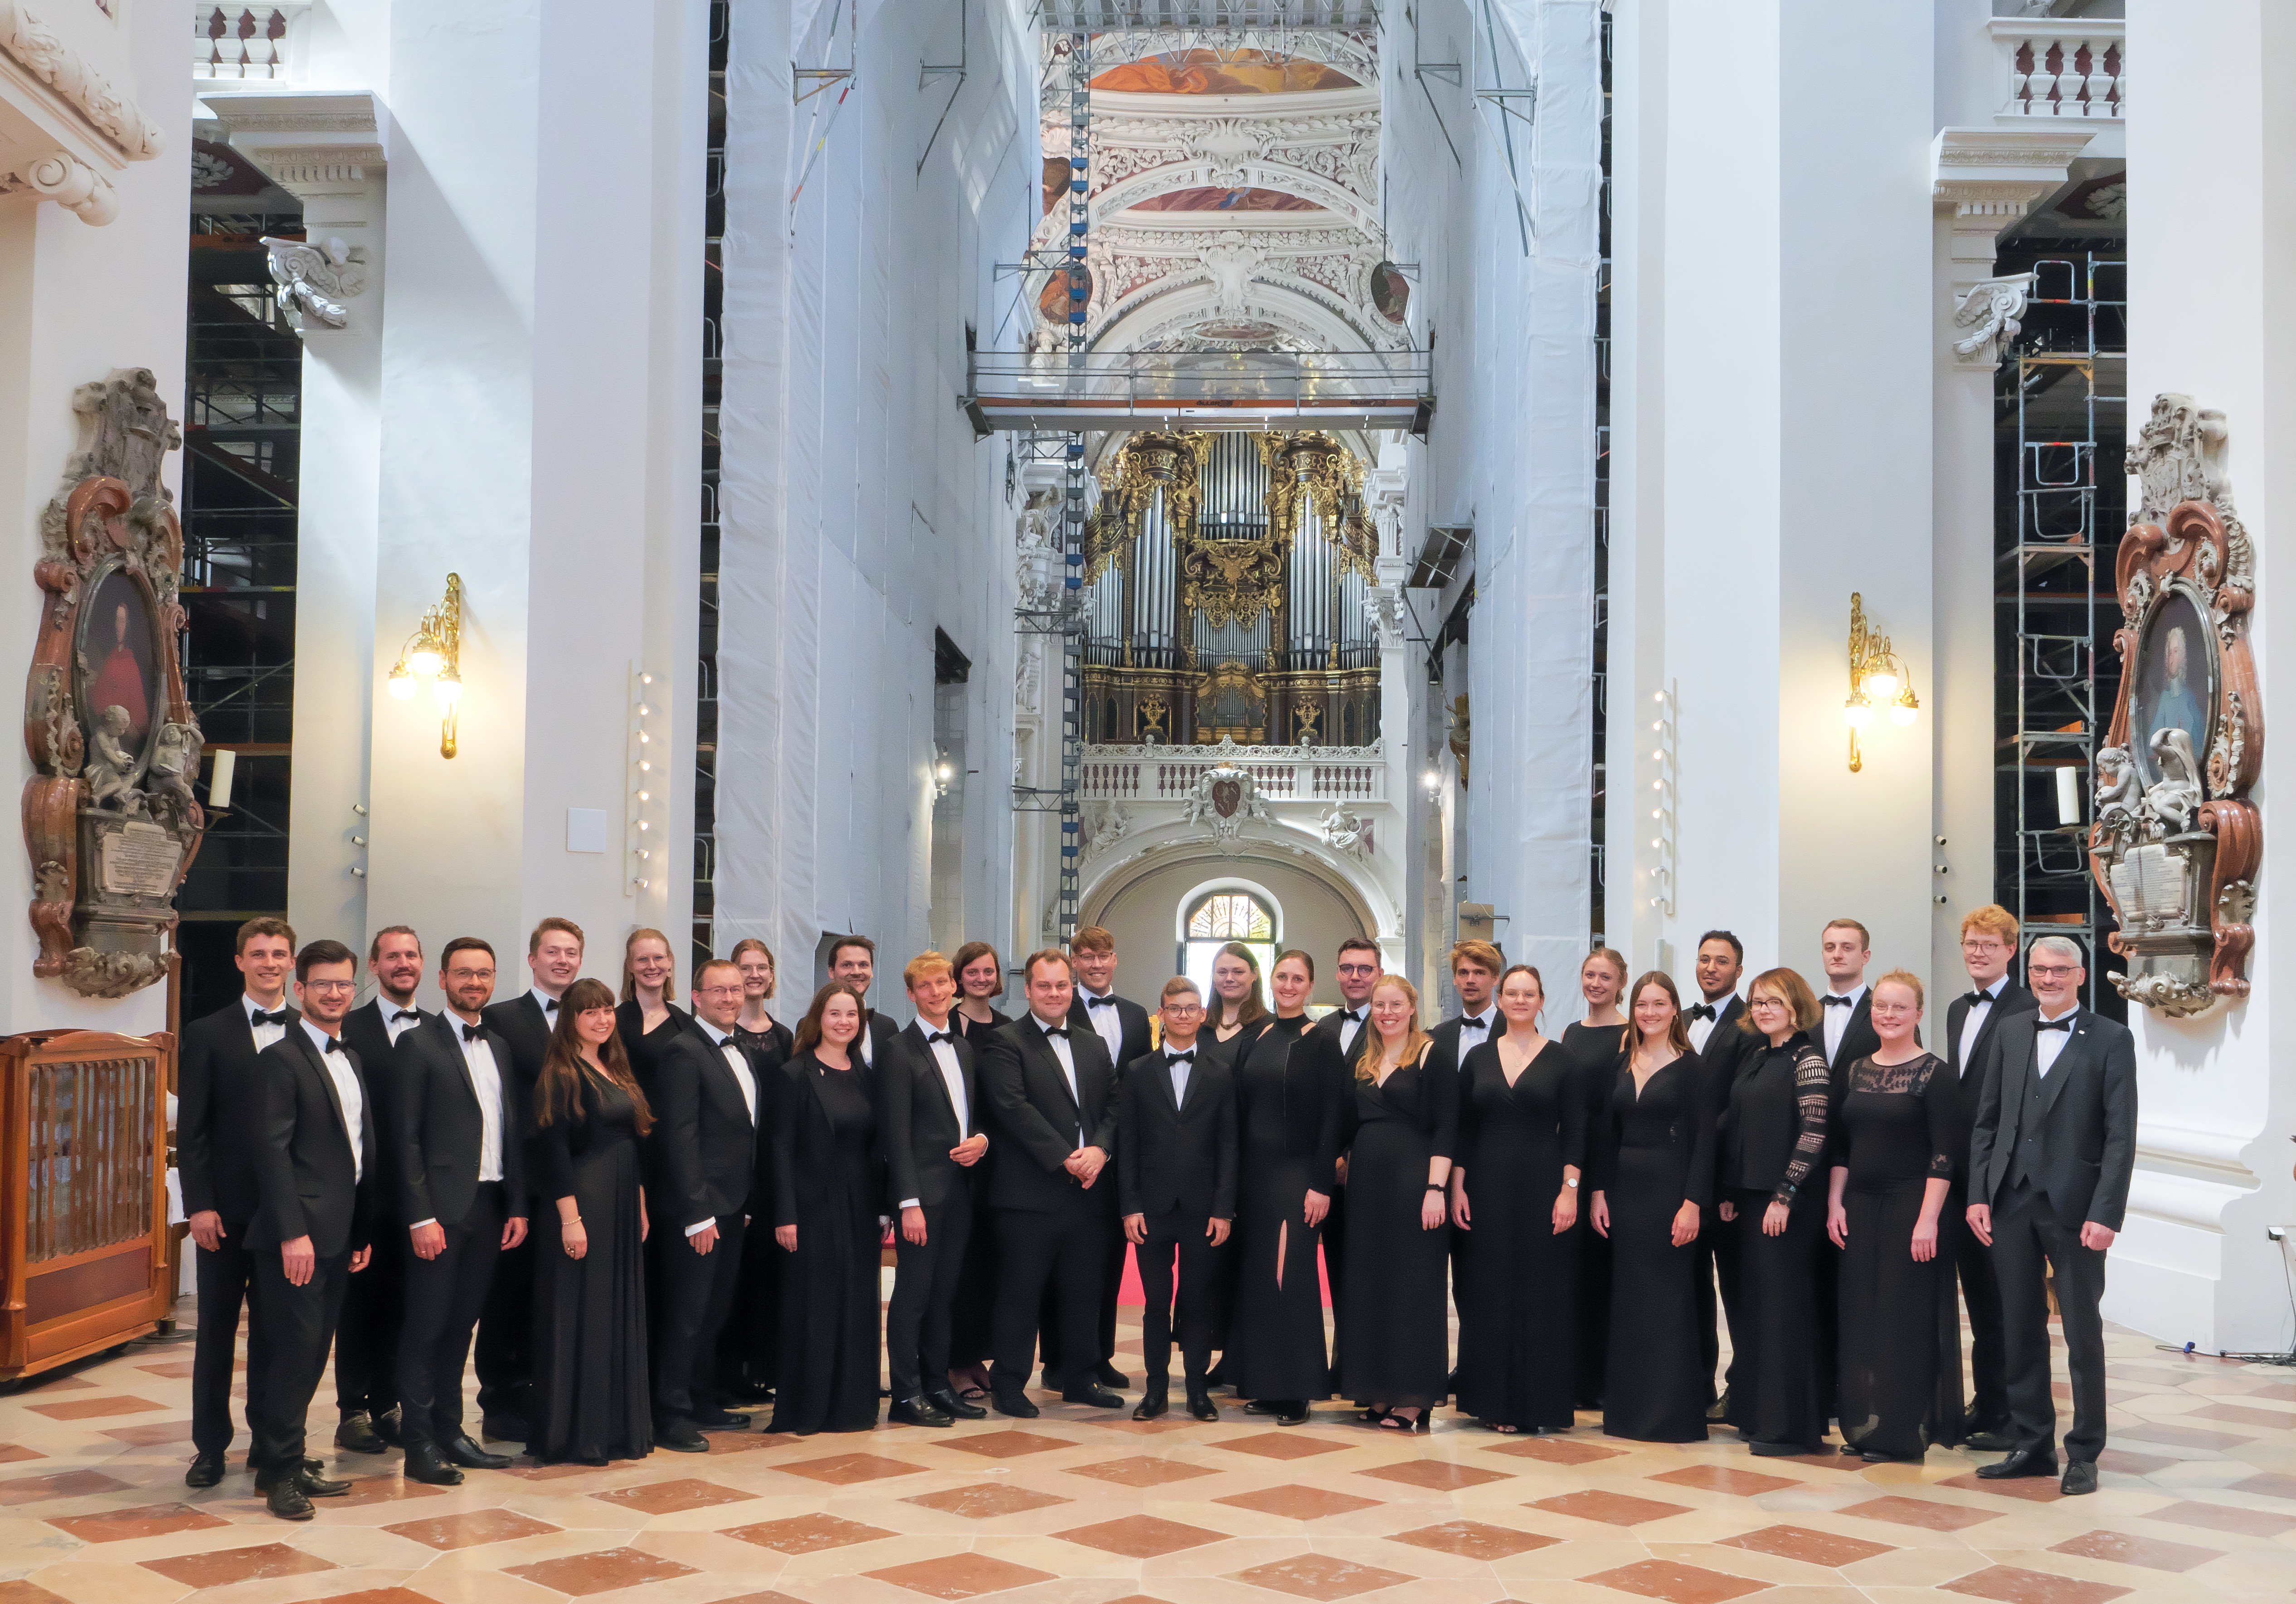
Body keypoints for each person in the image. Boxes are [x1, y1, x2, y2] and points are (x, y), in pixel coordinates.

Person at [1967, 936, 2137, 1497]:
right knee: (2019, 1326)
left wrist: (2107, 1211)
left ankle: (2084, 1452)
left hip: (2077, 1208)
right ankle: (2032, 1442)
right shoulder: (2013, 1030)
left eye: (2060, 969)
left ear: (2081, 975)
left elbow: (2120, 1135)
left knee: (2083, 1334)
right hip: (2011, 1200)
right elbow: (1987, 1121)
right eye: (2039, 969)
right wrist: (1978, 1194)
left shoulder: (2112, 1038)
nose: (2048, 978)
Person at [244, 940, 379, 1520]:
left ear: (354, 989)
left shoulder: (348, 1056)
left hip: (339, 1234)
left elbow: (356, 1152)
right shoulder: (282, 1057)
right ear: (300, 989)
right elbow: (270, 1153)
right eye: (322, 983)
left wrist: (362, 1229)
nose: (333, 993)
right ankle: (278, 1474)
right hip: (296, 1239)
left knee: (312, 1352)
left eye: (343, 984)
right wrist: (291, 1232)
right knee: (293, 1355)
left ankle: (291, 1459)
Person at [389, 936, 527, 1486]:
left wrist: (516, 1203)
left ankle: (450, 1430)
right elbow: (406, 1139)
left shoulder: (499, 1045)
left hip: (491, 1205)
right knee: (426, 1327)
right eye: (465, 973)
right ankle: (419, 1443)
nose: (476, 982)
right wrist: (420, 1216)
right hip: (440, 1212)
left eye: (485, 973)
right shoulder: (417, 1044)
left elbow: (509, 1130)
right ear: (442, 979)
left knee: (461, 1327)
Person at [177, 917, 297, 1489]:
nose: (269, 962)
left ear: (291, 962)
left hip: (286, 1214)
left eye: (278, 953)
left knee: (276, 1334)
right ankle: (209, 1447)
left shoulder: (310, 1031)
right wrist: (199, 1204)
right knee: (217, 1331)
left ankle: (270, 1443)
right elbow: (194, 1130)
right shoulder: (207, 1033)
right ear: (239, 961)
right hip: (223, 1213)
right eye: (259, 953)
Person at [977, 948, 1124, 1417]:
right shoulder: (1004, 1043)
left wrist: (1100, 1149)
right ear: (1028, 989)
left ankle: (1079, 1377)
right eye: (1044, 985)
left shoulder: (1093, 1043)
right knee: (1020, 1293)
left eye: (1062, 985)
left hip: (1088, 1194)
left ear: (1072, 987)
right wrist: (1068, 1159)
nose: (1054, 993)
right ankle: (1009, 1382)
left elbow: (1116, 1105)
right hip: (1029, 1196)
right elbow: (1013, 1109)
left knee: (1084, 1291)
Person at [1828, 970, 1955, 1463]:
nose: (1887, 1015)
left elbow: (1945, 1155)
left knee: (1902, 1319)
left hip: (1910, 1206)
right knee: (1861, 1315)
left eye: (1899, 1007)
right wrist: (1834, 1203)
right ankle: (1865, 1424)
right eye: (1881, 1006)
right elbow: (1841, 1146)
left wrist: (1928, 1221)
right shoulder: (1857, 1070)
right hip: (1858, 1205)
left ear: (1918, 1015)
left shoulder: (1935, 1074)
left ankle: (1902, 1433)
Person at [1451, 964, 1582, 1434]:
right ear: (1500, 1000)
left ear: (1542, 1001)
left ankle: (1537, 1405)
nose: (1521, 1000)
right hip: (1486, 1187)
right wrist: (1457, 1185)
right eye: (1513, 992)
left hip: (1544, 1186)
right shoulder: (1479, 1058)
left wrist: (1569, 1193)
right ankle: (1492, 1402)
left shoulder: (1563, 1060)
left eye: (1530, 993)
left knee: (1541, 1294)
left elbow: (1577, 1135)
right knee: (1488, 1291)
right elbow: (1464, 1129)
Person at [528, 977, 653, 1465]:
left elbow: (630, 1141)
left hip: (621, 1201)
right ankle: (576, 1434)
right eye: (589, 1012)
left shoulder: (614, 1064)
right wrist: (570, 1219)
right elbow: (554, 1152)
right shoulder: (561, 1071)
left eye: (606, 1010)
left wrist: (639, 1199)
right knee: (582, 1313)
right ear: (571, 1020)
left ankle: (615, 1427)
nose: (602, 1019)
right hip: (585, 1202)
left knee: (614, 1312)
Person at [476, 915, 585, 1443]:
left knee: (558, 1293)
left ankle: (554, 1391)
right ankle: (500, 1398)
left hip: (579, 1180)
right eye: (552, 952)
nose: (562, 960)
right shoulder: (500, 1019)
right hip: (521, 1181)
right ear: (532, 959)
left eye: (571, 952)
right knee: (509, 1293)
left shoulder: (593, 1018)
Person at [1589, 972, 1710, 1443]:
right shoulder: (1621, 1062)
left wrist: (1693, 1202)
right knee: (1629, 1302)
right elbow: (1606, 1134)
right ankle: (1627, 1412)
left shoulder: (1693, 1067)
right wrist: (1599, 1193)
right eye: (1643, 1004)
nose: (1650, 1013)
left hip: (1670, 1190)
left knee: (1669, 1301)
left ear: (1675, 1009)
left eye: (1660, 1004)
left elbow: (1705, 1143)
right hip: (1625, 1194)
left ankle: (1671, 1415)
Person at [647, 959, 761, 1451]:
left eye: (736, 990)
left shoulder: (743, 1048)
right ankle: (669, 1411)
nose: (730, 998)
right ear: (696, 997)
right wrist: (698, 1211)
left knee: (716, 1309)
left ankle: (700, 1395)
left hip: (736, 1205)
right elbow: (679, 1137)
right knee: (687, 1312)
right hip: (700, 1210)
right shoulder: (682, 1052)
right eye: (718, 991)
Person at [1718, 967, 1829, 1456]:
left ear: (1796, 1006)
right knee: (1752, 1312)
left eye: (1774, 1002)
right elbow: (1738, 1127)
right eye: (1758, 1001)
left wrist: (1785, 1194)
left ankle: (1788, 1427)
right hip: (1745, 1201)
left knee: (1782, 1314)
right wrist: (1726, 1189)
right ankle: (1755, 1412)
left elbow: (1815, 1132)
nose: (1763, 1009)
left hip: (1783, 1205)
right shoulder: (1758, 1056)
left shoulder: (1808, 1059)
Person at [769, 983, 888, 1434]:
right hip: (810, 1204)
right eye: (835, 1013)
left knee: (857, 1302)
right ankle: (810, 1406)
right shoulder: (794, 1074)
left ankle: (853, 1407)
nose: (843, 1022)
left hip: (859, 1204)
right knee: (815, 1303)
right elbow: (779, 1149)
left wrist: (881, 1205)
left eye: (852, 1015)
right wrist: (785, 1214)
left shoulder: (864, 1073)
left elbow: (877, 1145)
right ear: (819, 1018)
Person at [1120, 977, 1239, 1421]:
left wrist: (1224, 1209)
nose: (1184, 1015)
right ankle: (1154, 1391)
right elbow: (1127, 1144)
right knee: (1155, 1304)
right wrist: (1129, 1206)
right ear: (1162, 1014)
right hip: (1150, 1208)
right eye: (1176, 1008)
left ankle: (1196, 1388)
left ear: (1202, 1015)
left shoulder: (1220, 1073)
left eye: (1192, 1008)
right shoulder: (1137, 1072)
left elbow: (1229, 1146)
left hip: (1202, 1209)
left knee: (1197, 1301)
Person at [1341, 973, 1455, 1431]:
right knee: (1372, 1287)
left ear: (1412, 1008)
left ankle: (1414, 1397)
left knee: (1414, 1289)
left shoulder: (1432, 1055)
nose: (1386, 1012)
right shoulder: (1365, 1058)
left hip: (1415, 1184)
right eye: (1379, 1005)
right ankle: (1381, 1389)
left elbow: (1448, 1126)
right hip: (1368, 1187)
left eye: (1395, 1004)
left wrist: (1435, 1189)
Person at [881, 953, 991, 1428]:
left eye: (942, 982)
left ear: (954, 987)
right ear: (911, 994)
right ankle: (906, 1394)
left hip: (960, 1192)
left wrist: (982, 1141)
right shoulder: (896, 1050)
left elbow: (974, 1115)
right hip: (921, 1198)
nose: (936, 991)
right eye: (925, 986)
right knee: (913, 1296)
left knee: (945, 1295)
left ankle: (938, 1385)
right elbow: (895, 1134)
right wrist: (908, 1202)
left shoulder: (964, 1048)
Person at [1227, 950, 1336, 1425]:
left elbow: (1335, 1117)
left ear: (1311, 987)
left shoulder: (1322, 1040)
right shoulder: (1259, 1034)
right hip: (1255, 1177)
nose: (1289, 985)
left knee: (1289, 1276)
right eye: (1282, 977)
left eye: (1298, 979)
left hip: (1297, 1175)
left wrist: (1320, 1183)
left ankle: (1299, 1389)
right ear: (1270, 981)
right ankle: (1267, 1383)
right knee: (1258, 1279)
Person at [333, 924, 427, 1455]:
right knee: (358, 1305)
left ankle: (390, 1403)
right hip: (365, 1192)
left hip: (416, 1197)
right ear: (374, 966)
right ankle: (352, 1410)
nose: (402, 963)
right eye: (392, 956)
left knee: (404, 1303)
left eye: (411, 955)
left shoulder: (437, 1030)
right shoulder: (348, 1027)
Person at [1945, 905, 2034, 1449]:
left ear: (2010, 950)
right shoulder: (1958, 1009)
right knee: (1977, 1297)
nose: (1978, 952)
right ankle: (1988, 1400)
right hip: (1962, 1170)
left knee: (2006, 1301)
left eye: (1989, 945)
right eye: (1971, 943)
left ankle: (2012, 1414)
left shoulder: (2026, 1006)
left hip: (2001, 1174)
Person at [1064, 925, 1151, 1393]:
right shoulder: (1062, 1008)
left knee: (1110, 1260)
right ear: (1074, 961)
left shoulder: (1137, 1017)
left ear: (1116, 959)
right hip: (1075, 1153)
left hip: (1119, 1154)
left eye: (1104, 956)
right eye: (1087, 957)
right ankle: (1067, 1361)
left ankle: (1102, 1357)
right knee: (1075, 1265)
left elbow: (1137, 1090)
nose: (1096, 964)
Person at [1294, 937, 1379, 1391]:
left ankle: (1359, 1368)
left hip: (1371, 1168)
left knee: (1364, 1275)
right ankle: (1331, 1365)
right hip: (1323, 1170)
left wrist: (1351, 1153)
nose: (1355, 976)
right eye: (1347, 968)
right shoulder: (1320, 1028)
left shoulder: (1391, 1026)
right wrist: (1327, 1159)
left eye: (1365, 969)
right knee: (1328, 1270)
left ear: (1379, 974)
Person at [721, 937, 790, 1405]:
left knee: (768, 1272)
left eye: (761, 966)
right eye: (745, 967)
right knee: (732, 1275)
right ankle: (727, 1373)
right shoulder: (722, 1034)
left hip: (772, 1168)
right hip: (732, 1167)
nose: (754, 974)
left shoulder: (785, 1036)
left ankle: (763, 1368)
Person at [1686, 930, 1751, 1419]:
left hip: (1728, 1176)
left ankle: (1743, 1386)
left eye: (1722, 961)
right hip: (1680, 1176)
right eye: (1705, 959)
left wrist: (1701, 1139)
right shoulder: (1679, 1020)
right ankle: (1695, 1381)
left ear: (1738, 970)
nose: (1711, 967)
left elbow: (1742, 1104)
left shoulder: (1751, 1025)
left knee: (1736, 1288)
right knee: (1689, 1286)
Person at [945, 939, 1013, 1405]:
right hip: (960, 1157)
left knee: (991, 1265)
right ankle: (955, 1361)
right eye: (973, 971)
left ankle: (978, 1357)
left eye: (988, 972)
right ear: (959, 976)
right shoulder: (947, 1023)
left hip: (1000, 1156)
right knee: (961, 1267)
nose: (982, 979)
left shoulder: (1009, 1027)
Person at [1563, 947, 1628, 1408]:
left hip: (1610, 1162)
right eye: (1590, 974)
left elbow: (1612, 1112)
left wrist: (1600, 1180)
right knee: (1576, 1273)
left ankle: (1608, 1381)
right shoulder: (1570, 1031)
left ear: (1621, 982)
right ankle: (1578, 1377)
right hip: (1572, 1160)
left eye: (1606, 976)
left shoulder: (1629, 1034)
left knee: (1608, 1271)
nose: (1596, 983)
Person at [616, 928, 692, 1086]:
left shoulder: (687, 1023)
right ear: (630, 966)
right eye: (642, 959)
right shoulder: (615, 1021)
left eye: (659, 958)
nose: (652, 966)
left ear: (669, 963)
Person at [827, 935, 903, 1067]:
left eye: (863, 965)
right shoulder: (813, 1025)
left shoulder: (887, 1027)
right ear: (831, 972)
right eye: (847, 965)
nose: (856, 972)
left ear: (871, 971)